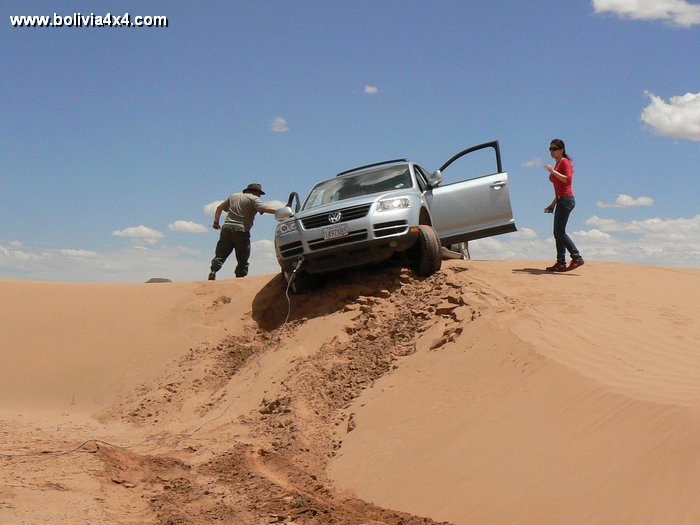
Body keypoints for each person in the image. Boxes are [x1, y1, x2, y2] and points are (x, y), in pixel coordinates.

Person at [208, 183, 277, 280]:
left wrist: (216, 223)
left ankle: (213, 271)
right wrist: (279, 210)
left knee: (221, 253)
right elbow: (264, 208)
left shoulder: (234, 196)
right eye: (259, 193)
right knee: (242, 256)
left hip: (226, 228)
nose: (259, 196)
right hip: (241, 230)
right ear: (255, 192)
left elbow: (219, 208)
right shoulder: (254, 199)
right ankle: (240, 279)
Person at [543, 139, 584, 272]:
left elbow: (567, 180)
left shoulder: (565, 162)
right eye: (550, 149)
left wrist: (552, 172)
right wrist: (552, 204)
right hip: (561, 200)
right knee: (557, 233)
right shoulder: (558, 164)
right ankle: (561, 263)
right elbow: (559, 189)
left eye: (554, 149)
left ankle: (577, 257)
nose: (551, 151)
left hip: (567, 200)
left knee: (560, 232)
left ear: (561, 150)